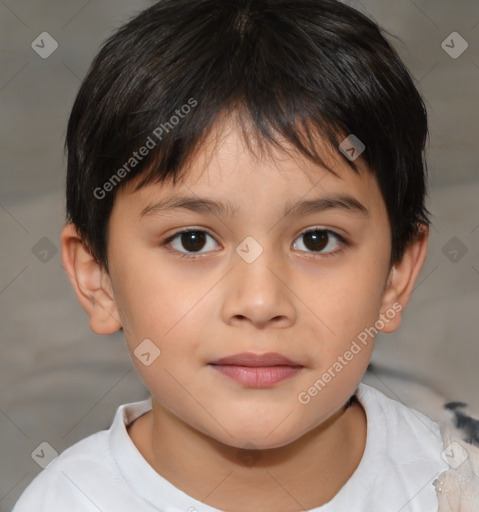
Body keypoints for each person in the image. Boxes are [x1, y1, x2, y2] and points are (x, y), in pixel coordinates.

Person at [12, 0, 455, 510]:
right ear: (98, 278)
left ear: (396, 274)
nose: (261, 301)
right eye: (193, 240)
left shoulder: (465, 489)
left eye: (317, 239)